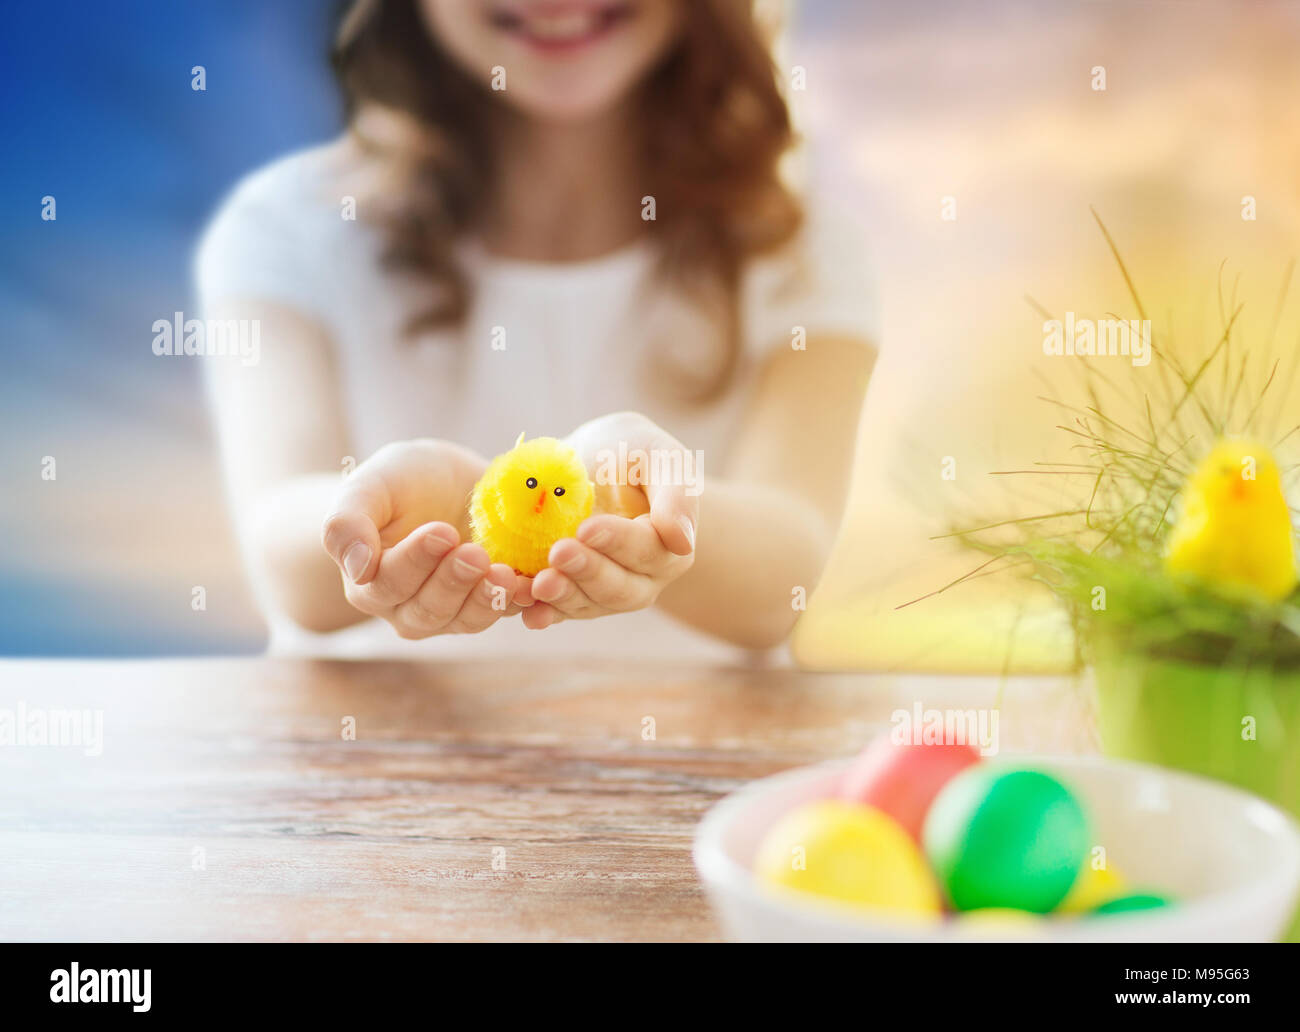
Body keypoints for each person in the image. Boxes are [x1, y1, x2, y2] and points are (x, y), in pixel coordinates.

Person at [196, 0, 877, 661]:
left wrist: (650, 509)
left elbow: (785, 577)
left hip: (697, 765)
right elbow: (285, 558)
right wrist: (436, 511)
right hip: (371, 756)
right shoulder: (284, 231)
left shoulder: (802, 249)